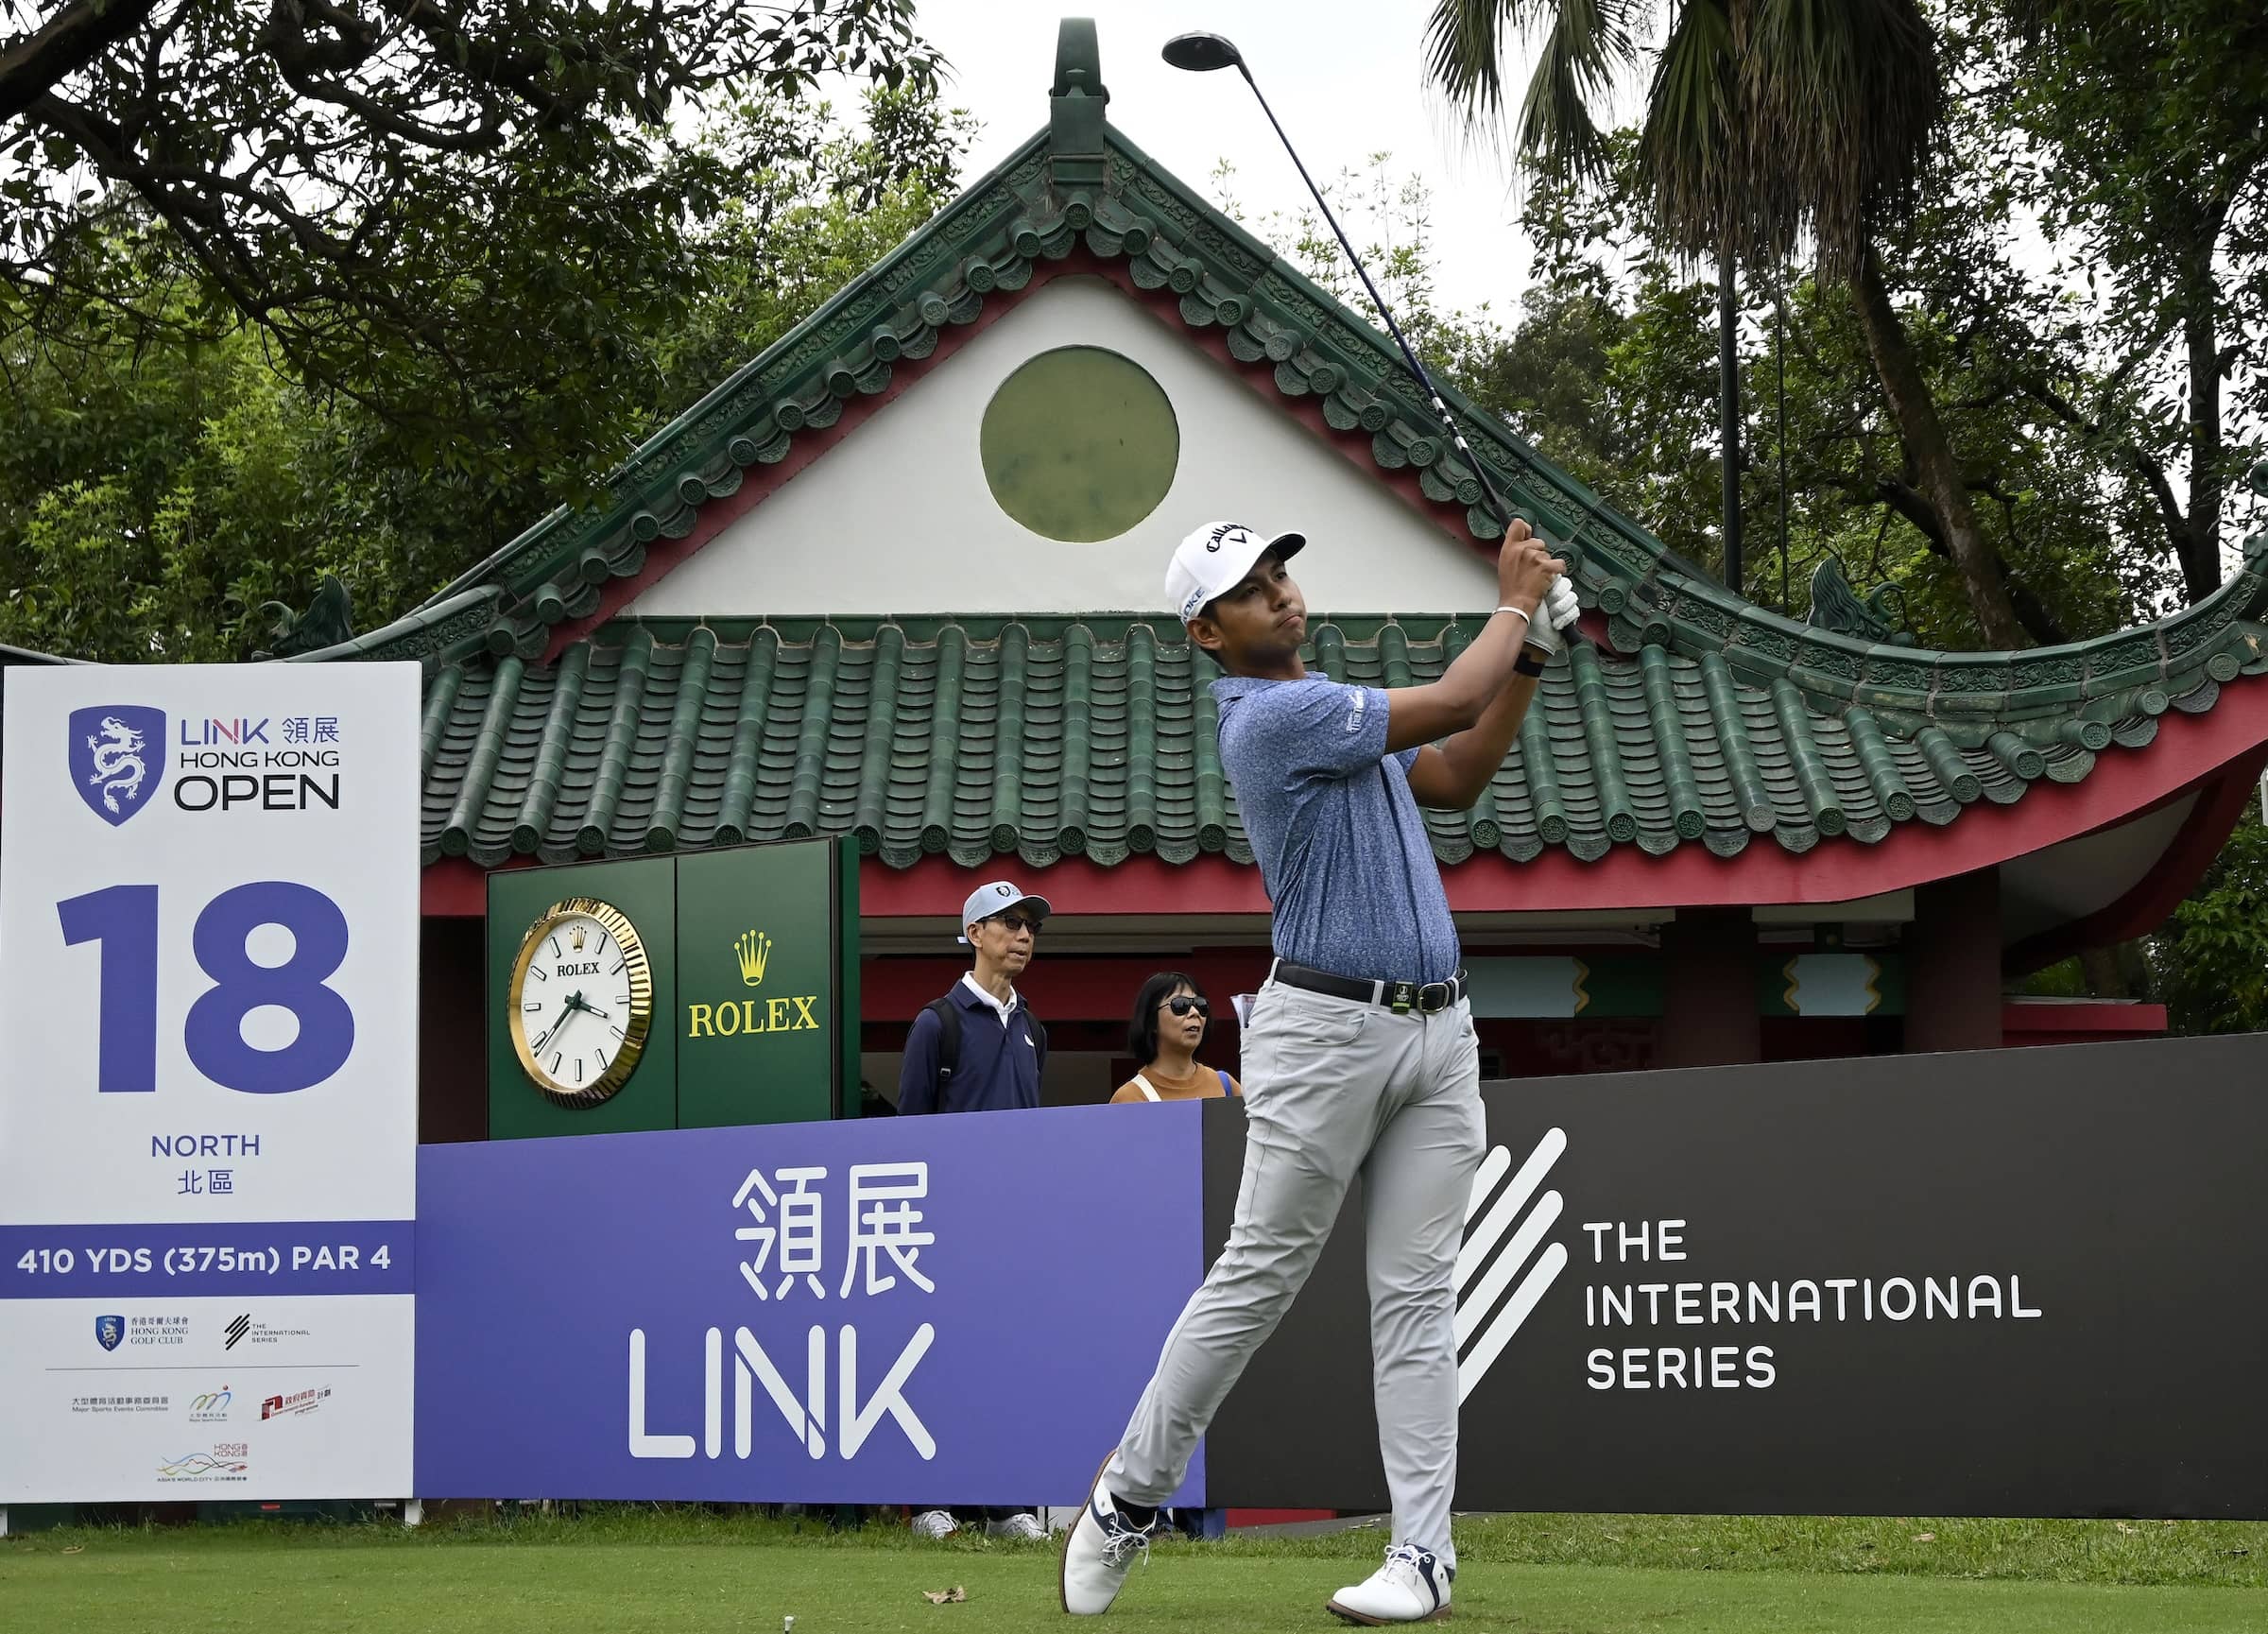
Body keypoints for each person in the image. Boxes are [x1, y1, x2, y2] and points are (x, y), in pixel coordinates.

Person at [1061, 518, 1572, 1624]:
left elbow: (1460, 773)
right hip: (1325, 1033)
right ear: (1208, 631)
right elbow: (1445, 702)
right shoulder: (1270, 717)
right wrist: (1516, 606)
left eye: (1281, 573)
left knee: (1420, 1300)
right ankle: (1127, 1497)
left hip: (1440, 1032)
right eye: (1249, 590)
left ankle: (1421, 1559)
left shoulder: (1332, 703)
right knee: (1258, 1279)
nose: (1281, 595)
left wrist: (1527, 658)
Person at [900, 879, 1053, 1541]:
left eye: (1029, 925)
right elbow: (906, 1137)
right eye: (1007, 922)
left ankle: (1004, 1503)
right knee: (941, 1361)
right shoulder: (939, 1023)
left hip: (1014, 1229)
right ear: (974, 934)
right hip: (946, 1227)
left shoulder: (1033, 1029)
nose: (1022, 934)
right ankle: (935, 1501)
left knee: (1008, 1361)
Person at [1113, 972, 1240, 1105]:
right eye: (1180, 1005)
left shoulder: (1226, 1086)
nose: (1195, 1012)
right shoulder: (1130, 1097)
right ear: (1151, 1021)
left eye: (1200, 1004)